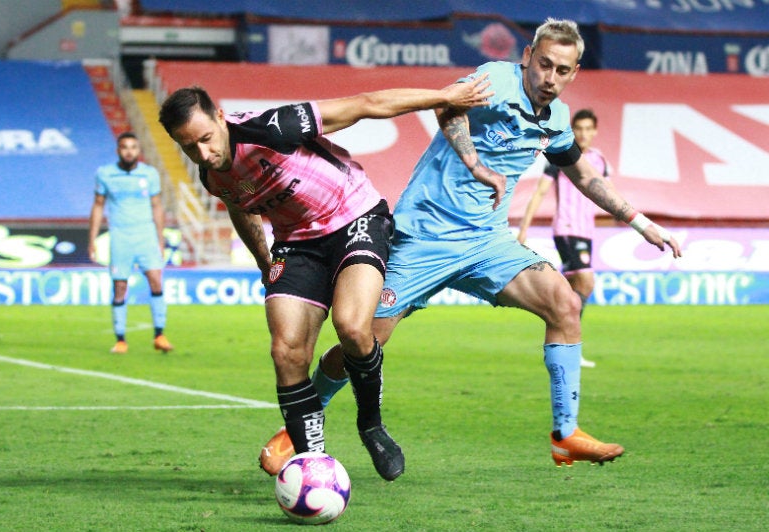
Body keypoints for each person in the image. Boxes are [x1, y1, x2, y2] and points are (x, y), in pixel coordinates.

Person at [260, 17, 682, 473]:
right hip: (422, 238)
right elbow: (448, 107)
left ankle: (565, 435)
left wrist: (639, 222)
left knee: (564, 304)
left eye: (562, 70)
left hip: (488, 242)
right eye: (543, 65)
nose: (550, 77)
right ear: (527, 57)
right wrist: (475, 163)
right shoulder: (496, 80)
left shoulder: (557, 119)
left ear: (574, 72)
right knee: (363, 343)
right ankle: (298, 425)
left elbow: (580, 173)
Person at [157, 79, 493, 481]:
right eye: (188, 146)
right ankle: (312, 462)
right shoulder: (212, 176)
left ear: (221, 118)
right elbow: (239, 205)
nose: (202, 153)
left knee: (352, 327)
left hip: (355, 217)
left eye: (206, 139)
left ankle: (371, 425)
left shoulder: (275, 128)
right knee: (286, 352)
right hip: (297, 245)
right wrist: (265, 262)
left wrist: (444, 97)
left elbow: (367, 103)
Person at [517, 109, 610, 368]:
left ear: (594, 131)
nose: (583, 133)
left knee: (572, 291)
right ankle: (568, 341)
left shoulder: (599, 160)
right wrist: (524, 228)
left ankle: (563, 343)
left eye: (588, 129)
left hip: (586, 231)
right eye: (578, 128)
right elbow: (539, 193)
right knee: (587, 282)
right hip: (567, 228)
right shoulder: (560, 155)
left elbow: (605, 192)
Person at [88, 132, 174, 355]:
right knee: (120, 287)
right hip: (120, 237)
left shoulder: (149, 174)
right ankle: (120, 339)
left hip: (145, 235)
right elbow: (98, 205)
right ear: (118, 151)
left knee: (156, 280)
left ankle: (159, 335)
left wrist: (160, 237)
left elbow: (156, 206)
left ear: (138, 151)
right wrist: (93, 239)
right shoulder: (105, 174)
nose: (129, 151)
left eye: (133, 147)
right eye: (125, 147)